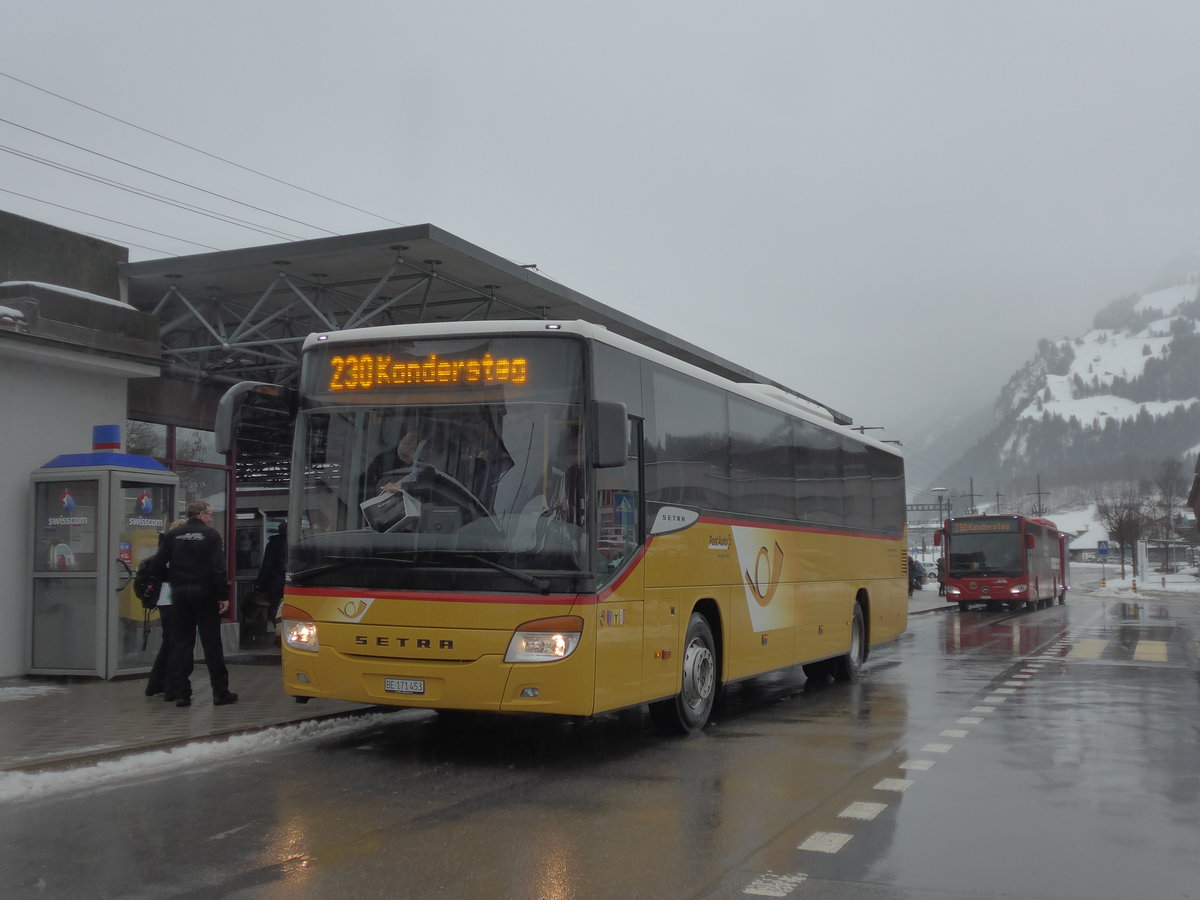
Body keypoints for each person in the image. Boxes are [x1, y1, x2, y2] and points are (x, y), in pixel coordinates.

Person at [159, 500, 238, 707]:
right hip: (205, 593)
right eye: (209, 514)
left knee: (181, 643)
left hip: (180, 594)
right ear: (201, 514)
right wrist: (223, 595)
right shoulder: (211, 535)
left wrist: (174, 580)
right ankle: (220, 693)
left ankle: (182, 694)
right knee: (212, 643)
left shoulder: (173, 535)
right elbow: (219, 568)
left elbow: (159, 562)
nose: (211, 518)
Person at [144, 518, 186, 697]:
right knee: (176, 642)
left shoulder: (165, 547)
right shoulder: (175, 549)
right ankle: (170, 685)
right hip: (173, 599)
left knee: (169, 641)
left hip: (166, 599)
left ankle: (157, 683)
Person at [255, 521, 287, 631]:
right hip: (292, 583)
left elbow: (267, 565)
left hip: (275, 583)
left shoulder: (273, 544)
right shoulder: (297, 543)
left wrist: (260, 582)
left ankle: (278, 632)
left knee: (275, 608)